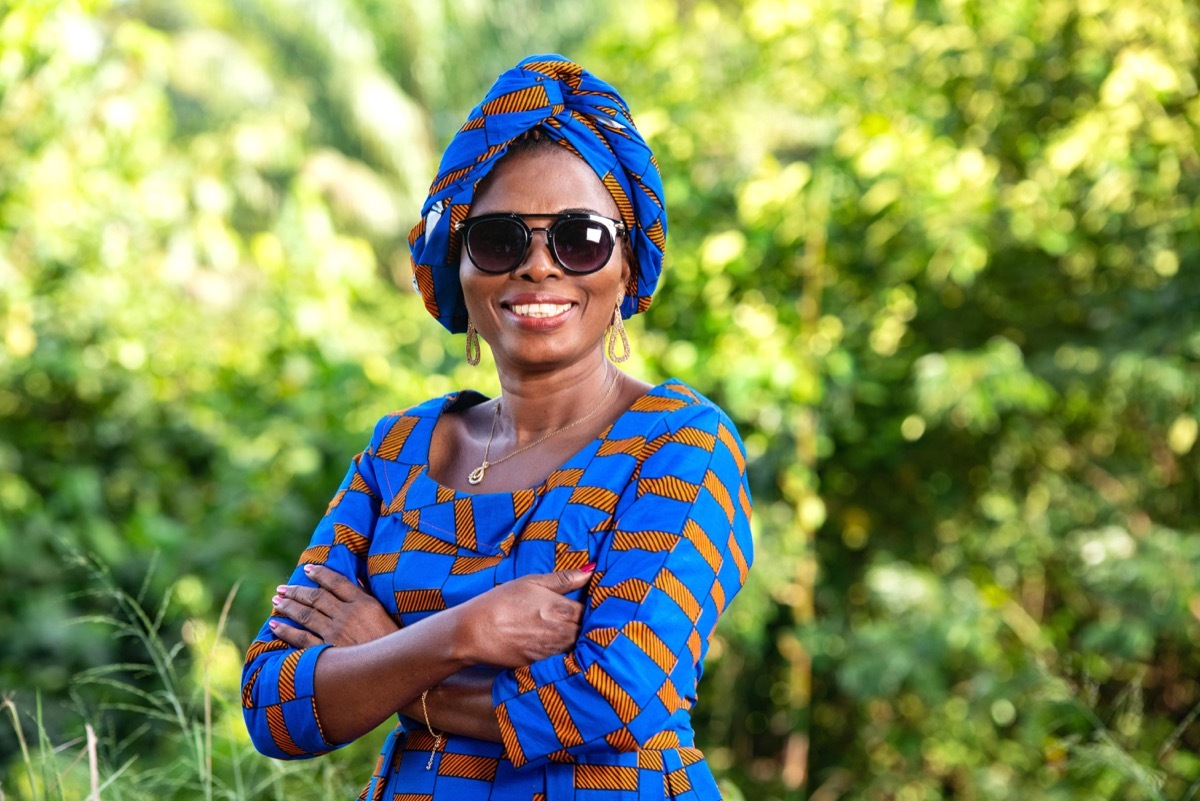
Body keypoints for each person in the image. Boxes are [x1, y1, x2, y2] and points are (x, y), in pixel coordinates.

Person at [241, 54, 754, 800]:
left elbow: (607, 699)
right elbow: (273, 703)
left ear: (625, 267)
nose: (539, 266)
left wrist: (386, 660)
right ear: (461, 263)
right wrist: (463, 631)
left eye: (580, 238)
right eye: (501, 239)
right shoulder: (398, 451)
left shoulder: (679, 444)